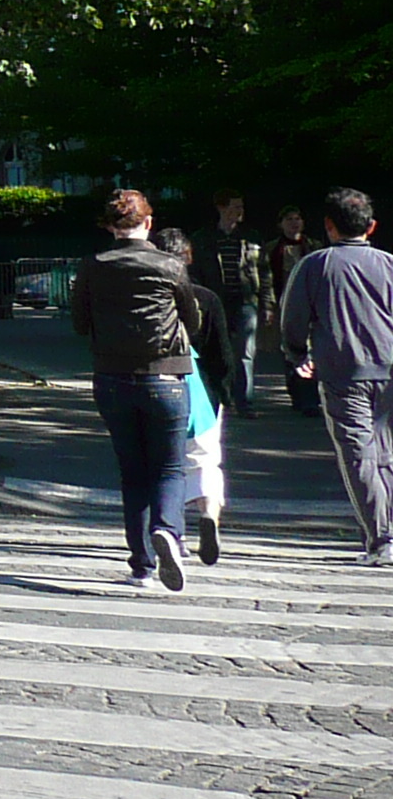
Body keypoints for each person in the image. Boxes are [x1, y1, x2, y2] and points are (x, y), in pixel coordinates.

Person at [70, 189, 206, 591]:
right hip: (165, 375)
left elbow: (79, 323)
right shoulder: (169, 265)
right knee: (168, 466)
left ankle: (142, 565)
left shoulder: (93, 266)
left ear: (111, 226)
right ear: (149, 222)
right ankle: (168, 531)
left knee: (133, 472)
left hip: (112, 377)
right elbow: (192, 319)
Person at [281, 188, 393, 565]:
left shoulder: (315, 265)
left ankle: (381, 538)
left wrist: (297, 353)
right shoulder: (389, 264)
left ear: (328, 226)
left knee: (358, 453)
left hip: (342, 370)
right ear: (372, 226)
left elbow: (293, 320)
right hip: (389, 368)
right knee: (386, 452)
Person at [155, 228, 238, 565]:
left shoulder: (150, 298)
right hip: (202, 389)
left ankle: (176, 533)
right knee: (206, 460)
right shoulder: (206, 298)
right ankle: (209, 515)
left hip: (159, 382)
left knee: (165, 464)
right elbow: (223, 355)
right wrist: (226, 393)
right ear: (188, 259)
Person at [194, 195, 263, 417]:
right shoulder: (204, 238)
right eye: (235, 206)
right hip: (215, 302)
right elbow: (194, 271)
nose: (240, 211)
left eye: (241, 206)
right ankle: (219, 396)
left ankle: (245, 402)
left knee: (245, 352)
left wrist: (268, 304)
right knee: (216, 350)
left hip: (245, 301)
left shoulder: (251, 238)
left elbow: (265, 271)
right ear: (221, 208)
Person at [271, 206, 325, 416]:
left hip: (311, 304)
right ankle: (296, 392)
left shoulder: (314, 247)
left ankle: (310, 397)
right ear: (281, 224)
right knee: (290, 347)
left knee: (311, 348)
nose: (294, 223)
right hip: (283, 303)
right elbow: (266, 278)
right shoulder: (273, 249)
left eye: (298, 218)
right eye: (289, 219)